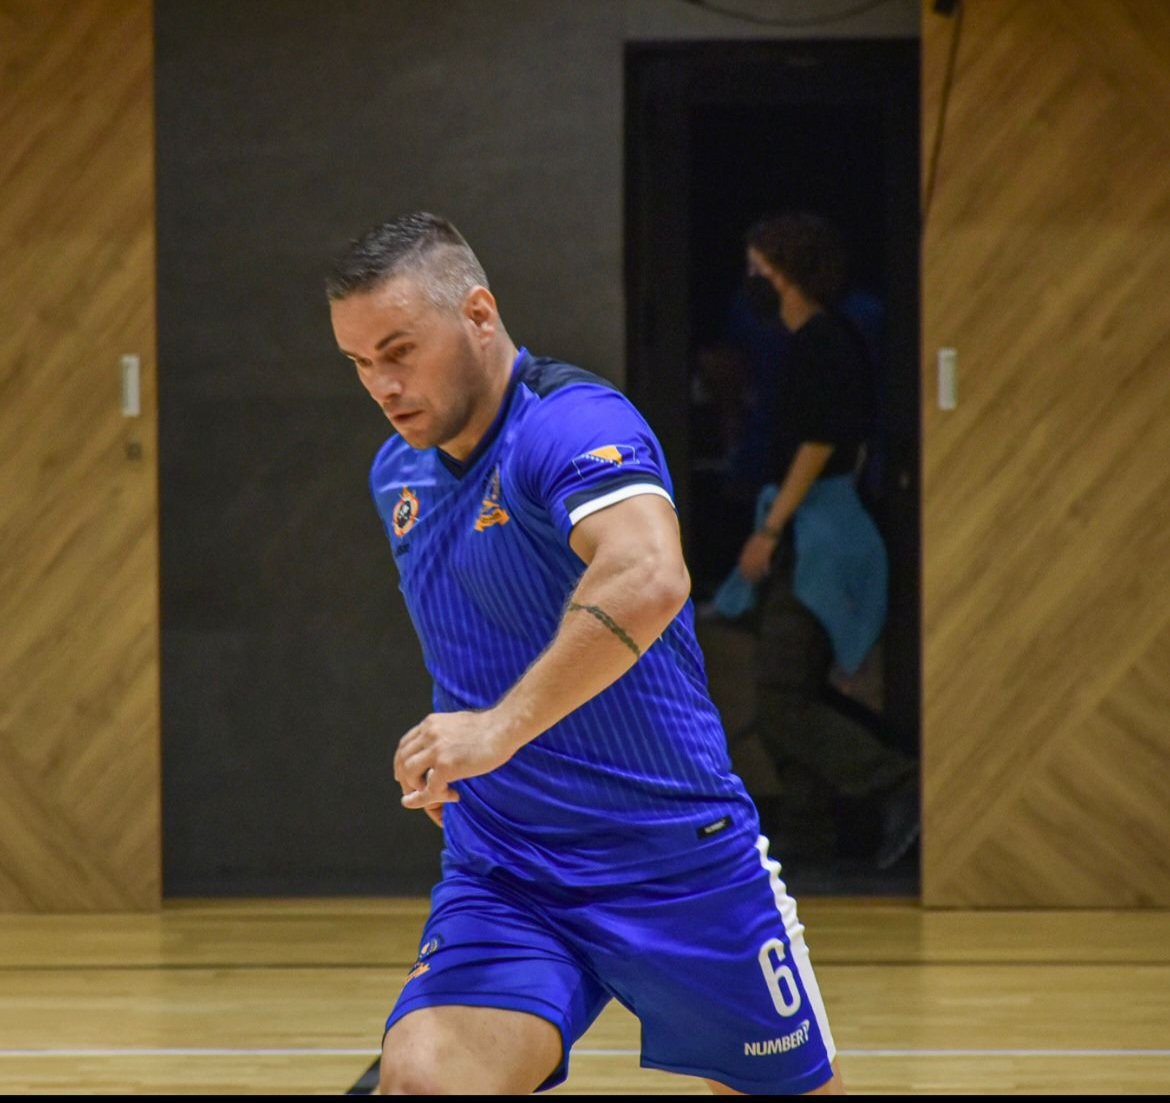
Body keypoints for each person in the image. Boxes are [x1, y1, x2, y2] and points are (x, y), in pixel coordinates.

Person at [326, 212, 845, 1095]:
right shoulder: (398, 476)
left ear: (478, 314)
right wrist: (457, 755)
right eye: (360, 362)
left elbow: (648, 574)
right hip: (510, 870)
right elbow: (487, 632)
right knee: (423, 1082)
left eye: (399, 350)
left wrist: (495, 730)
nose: (383, 383)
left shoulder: (569, 425)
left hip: (676, 863)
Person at [733, 213, 918, 871]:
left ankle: (899, 782)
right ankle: (807, 830)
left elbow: (820, 443)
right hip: (814, 529)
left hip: (821, 535)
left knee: (782, 694)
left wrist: (770, 529)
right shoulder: (816, 340)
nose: (751, 280)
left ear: (786, 272)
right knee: (797, 686)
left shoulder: (822, 342)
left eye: (759, 268)